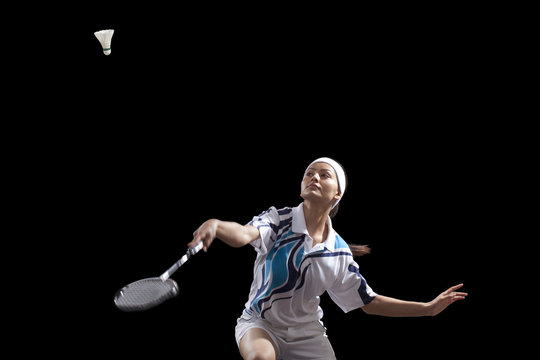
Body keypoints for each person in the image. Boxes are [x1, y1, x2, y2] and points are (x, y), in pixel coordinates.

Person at [188, 157, 467, 360]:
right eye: (309, 174)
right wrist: (216, 224)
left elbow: (369, 303)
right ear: (301, 187)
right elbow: (243, 234)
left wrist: (428, 308)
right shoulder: (279, 220)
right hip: (260, 324)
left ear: (337, 194)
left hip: (308, 334)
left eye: (324, 175)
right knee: (261, 357)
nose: (315, 178)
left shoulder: (338, 251)